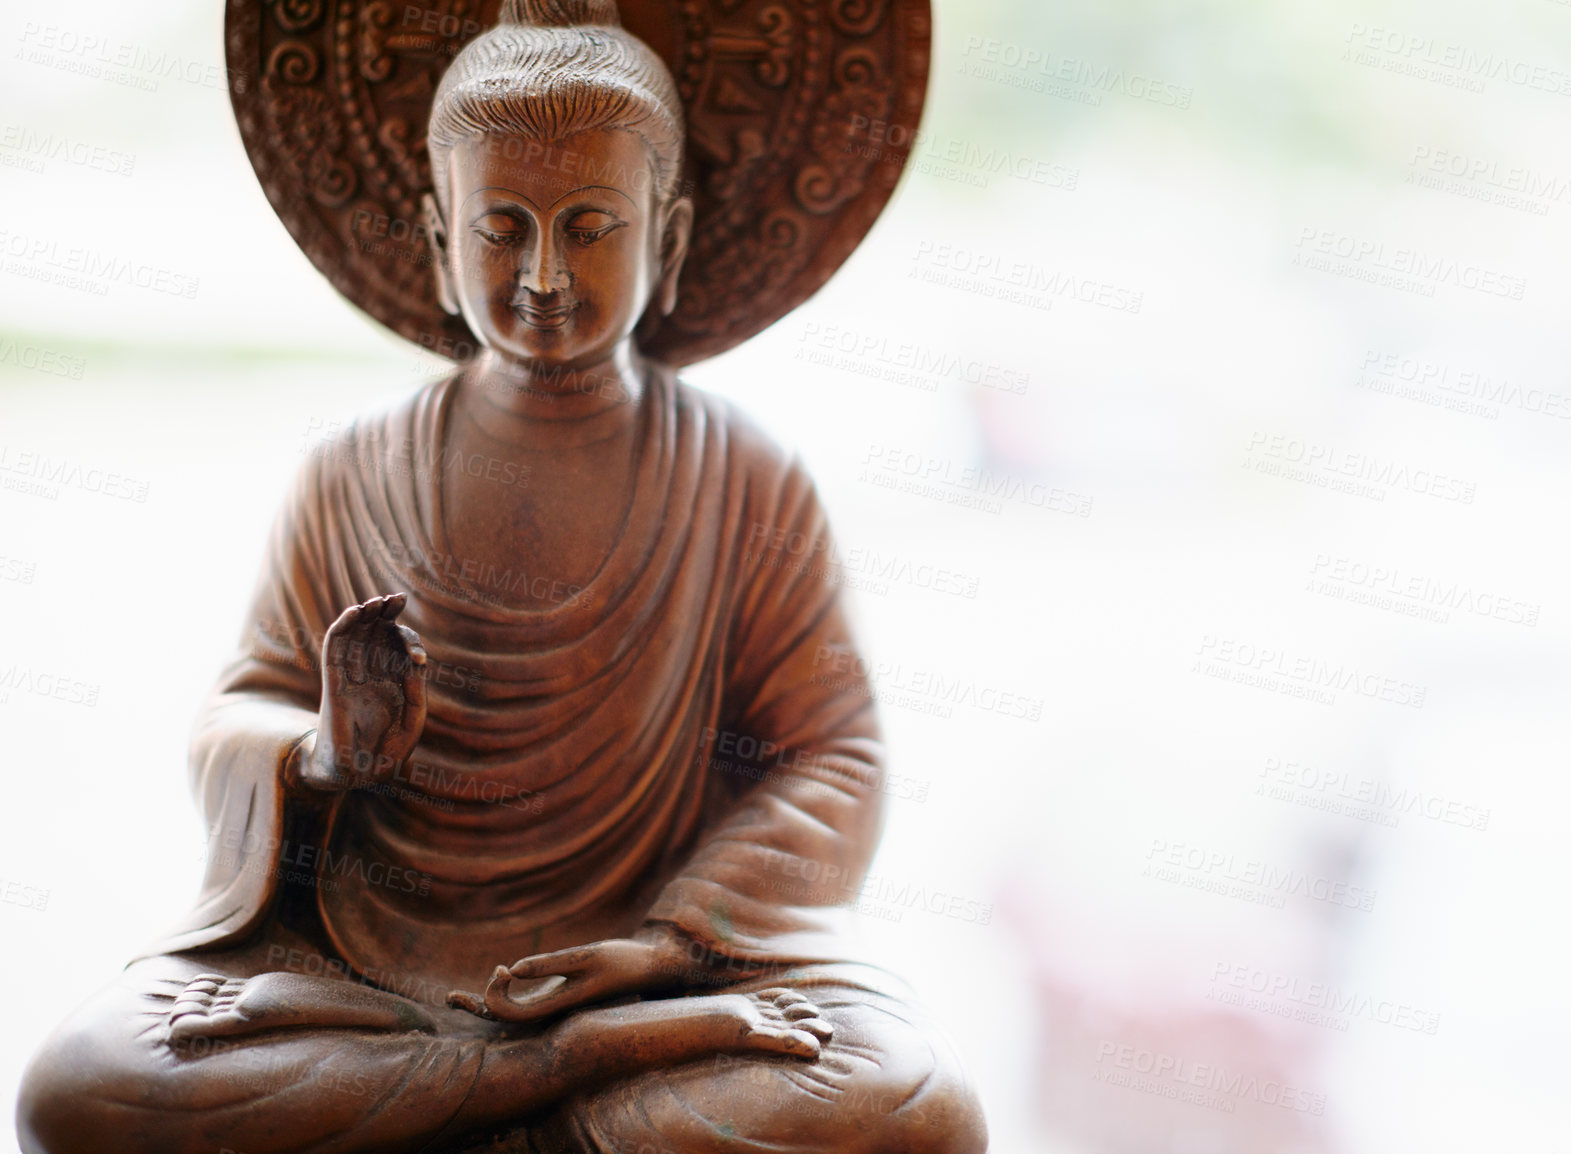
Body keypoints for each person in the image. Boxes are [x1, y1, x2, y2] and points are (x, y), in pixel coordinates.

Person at [15, 1, 986, 1150]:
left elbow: (832, 752)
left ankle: (492, 1085)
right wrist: (325, 751)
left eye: (589, 225)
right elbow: (242, 707)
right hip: (374, 966)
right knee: (84, 1084)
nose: (541, 273)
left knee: (914, 1102)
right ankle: (570, 1078)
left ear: (667, 242)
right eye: (500, 227)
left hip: (652, 970)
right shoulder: (349, 472)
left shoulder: (746, 476)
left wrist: (667, 945)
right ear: (436, 239)